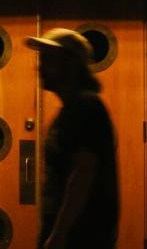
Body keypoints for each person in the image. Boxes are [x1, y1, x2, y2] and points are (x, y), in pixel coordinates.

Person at [25, 28, 119, 249]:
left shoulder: (87, 107)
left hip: (81, 238)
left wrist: (59, 234)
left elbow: (83, 172)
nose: (39, 67)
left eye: (48, 59)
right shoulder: (69, 111)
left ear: (71, 65)